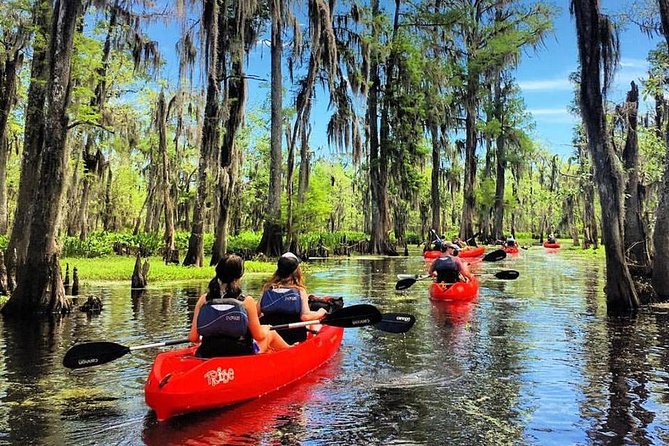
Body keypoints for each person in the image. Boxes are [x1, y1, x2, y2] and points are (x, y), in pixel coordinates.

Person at [188, 254, 290, 358]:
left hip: (207, 353)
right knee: (271, 334)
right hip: (241, 356)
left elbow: (193, 337)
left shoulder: (203, 300)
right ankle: (294, 354)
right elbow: (258, 336)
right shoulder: (247, 301)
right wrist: (267, 328)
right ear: (240, 276)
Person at [258, 252, 327, 344]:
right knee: (311, 323)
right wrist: (321, 312)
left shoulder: (267, 289)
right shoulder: (300, 291)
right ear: (296, 271)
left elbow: (255, 314)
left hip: (269, 337)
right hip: (293, 338)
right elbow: (305, 317)